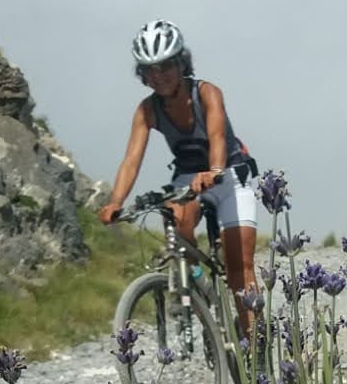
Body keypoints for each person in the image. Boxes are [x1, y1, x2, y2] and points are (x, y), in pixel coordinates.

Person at [99, 19, 258, 331]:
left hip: (229, 174)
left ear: (180, 63)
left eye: (165, 66)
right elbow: (131, 159)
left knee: (240, 268)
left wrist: (213, 171)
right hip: (187, 179)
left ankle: (256, 343)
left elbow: (217, 137)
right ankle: (197, 286)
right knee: (176, 224)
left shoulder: (208, 93)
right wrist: (115, 201)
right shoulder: (147, 110)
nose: (158, 76)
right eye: (149, 70)